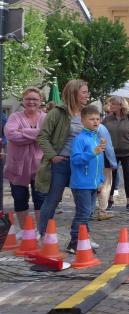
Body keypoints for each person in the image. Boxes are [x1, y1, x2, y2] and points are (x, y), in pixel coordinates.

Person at [36, 80, 91, 242]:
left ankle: (82, 237)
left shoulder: (86, 113)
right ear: (74, 93)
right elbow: (42, 137)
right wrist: (53, 156)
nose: (87, 95)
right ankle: (43, 234)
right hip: (61, 163)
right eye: (84, 92)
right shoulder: (57, 112)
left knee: (83, 203)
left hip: (80, 164)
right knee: (52, 199)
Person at [4, 88, 46, 233]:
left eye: (35, 99)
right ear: (23, 100)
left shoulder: (46, 118)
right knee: (20, 198)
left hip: (40, 167)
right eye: (28, 99)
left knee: (40, 199)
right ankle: (24, 231)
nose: (31, 102)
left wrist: (22, 131)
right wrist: (37, 135)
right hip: (17, 166)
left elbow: (48, 136)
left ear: (40, 101)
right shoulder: (14, 117)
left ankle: (41, 231)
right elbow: (10, 134)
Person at [68, 106, 106, 252]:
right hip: (81, 184)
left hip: (92, 184)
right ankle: (74, 242)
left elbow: (99, 163)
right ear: (83, 120)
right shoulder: (80, 139)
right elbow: (75, 160)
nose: (95, 122)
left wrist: (100, 180)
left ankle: (84, 239)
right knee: (83, 213)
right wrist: (92, 152)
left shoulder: (96, 138)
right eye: (91, 119)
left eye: (97, 119)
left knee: (88, 213)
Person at [102, 96, 129, 212]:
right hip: (111, 152)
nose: (111, 106)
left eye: (113, 104)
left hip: (128, 152)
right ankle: (110, 199)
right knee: (110, 177)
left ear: (120, 106)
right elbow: (101, 131)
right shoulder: (107, 119)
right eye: (111, 104)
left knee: (128, 176)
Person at [94, 116, 118, 221]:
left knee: (93, 184)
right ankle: (102, 211)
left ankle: (89, 210)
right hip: (103, 157)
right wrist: (113, 162)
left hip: (91, 158)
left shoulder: (84, 128)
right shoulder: (101, 128)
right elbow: (108, 147)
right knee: (106, 185)